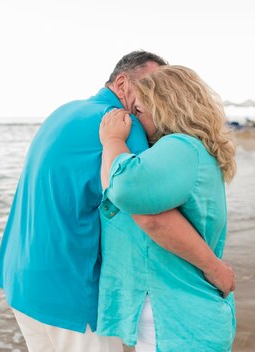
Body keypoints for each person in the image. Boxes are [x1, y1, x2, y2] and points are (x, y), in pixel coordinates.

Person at [0, 52, 235, 352]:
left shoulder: (63, 112)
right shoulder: (123, 124)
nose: (149, 98)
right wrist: (215, 268)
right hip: (70, 291)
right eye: (148, 85)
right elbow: (151, 215)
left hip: (21, 279)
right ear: (122, 82)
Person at [97, 65, 237, 351]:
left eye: (138, 111)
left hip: (180, 317)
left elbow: (124, 188)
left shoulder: (180, 147)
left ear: (163, 107)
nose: (135, 120)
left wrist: (112, 140)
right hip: (188, 313)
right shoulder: (195, 150)